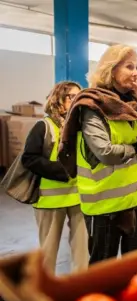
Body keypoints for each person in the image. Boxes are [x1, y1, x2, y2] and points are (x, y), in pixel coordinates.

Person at [58, 44, 137, 264]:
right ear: (111, 69)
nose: (136, 72)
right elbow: (104, 152)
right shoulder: (92, 104)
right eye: (129, 66)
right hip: (105, 204)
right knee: (103, 268)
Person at [21, 81, 88, 273]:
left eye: (79, 97)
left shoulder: (81, 127)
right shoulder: (44, 126)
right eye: (72, 96)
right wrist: (62, 172)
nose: (76, 101)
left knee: (82, 250)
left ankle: (79, 289)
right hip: (50, 201)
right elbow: (29, 158)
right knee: (48, 253)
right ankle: (45, 292)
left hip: (79, 198)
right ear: (58, 99)